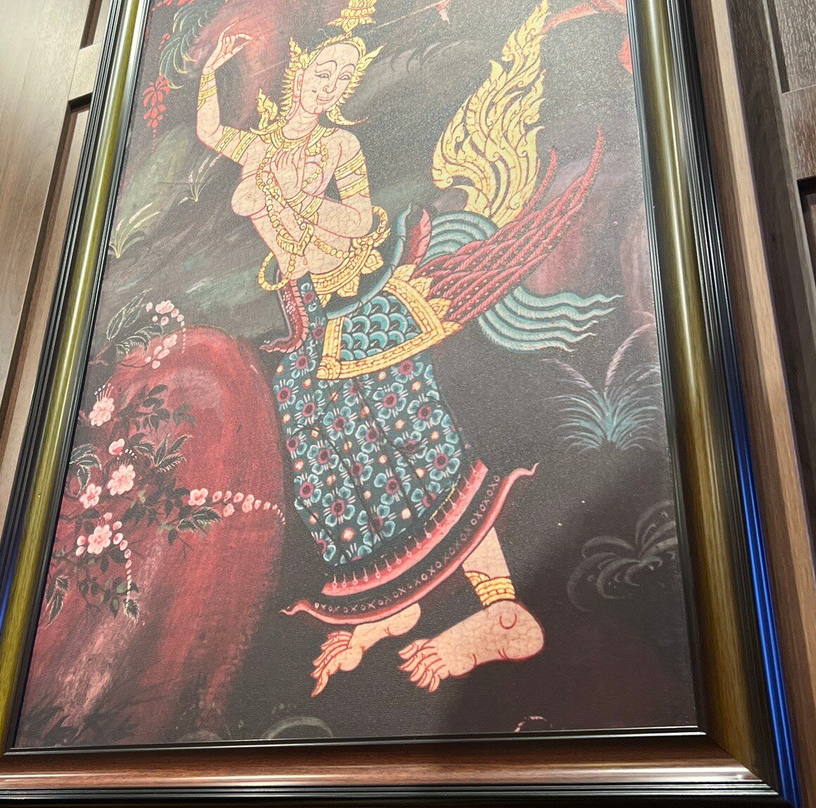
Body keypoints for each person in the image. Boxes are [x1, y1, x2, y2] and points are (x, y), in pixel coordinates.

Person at [196, 0, 545, 696]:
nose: (327, 85)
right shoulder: (261, 149)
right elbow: (209, 130)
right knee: (326, 451)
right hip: (303, 312)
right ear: (299, 72)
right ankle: (391, 604)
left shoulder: (337, 149)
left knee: (409, 431)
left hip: (347, 297)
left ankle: (502, 605)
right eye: (322, 71)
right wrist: (211, 72)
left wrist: (300, 206)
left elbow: (360, 218)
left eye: (341, 80)